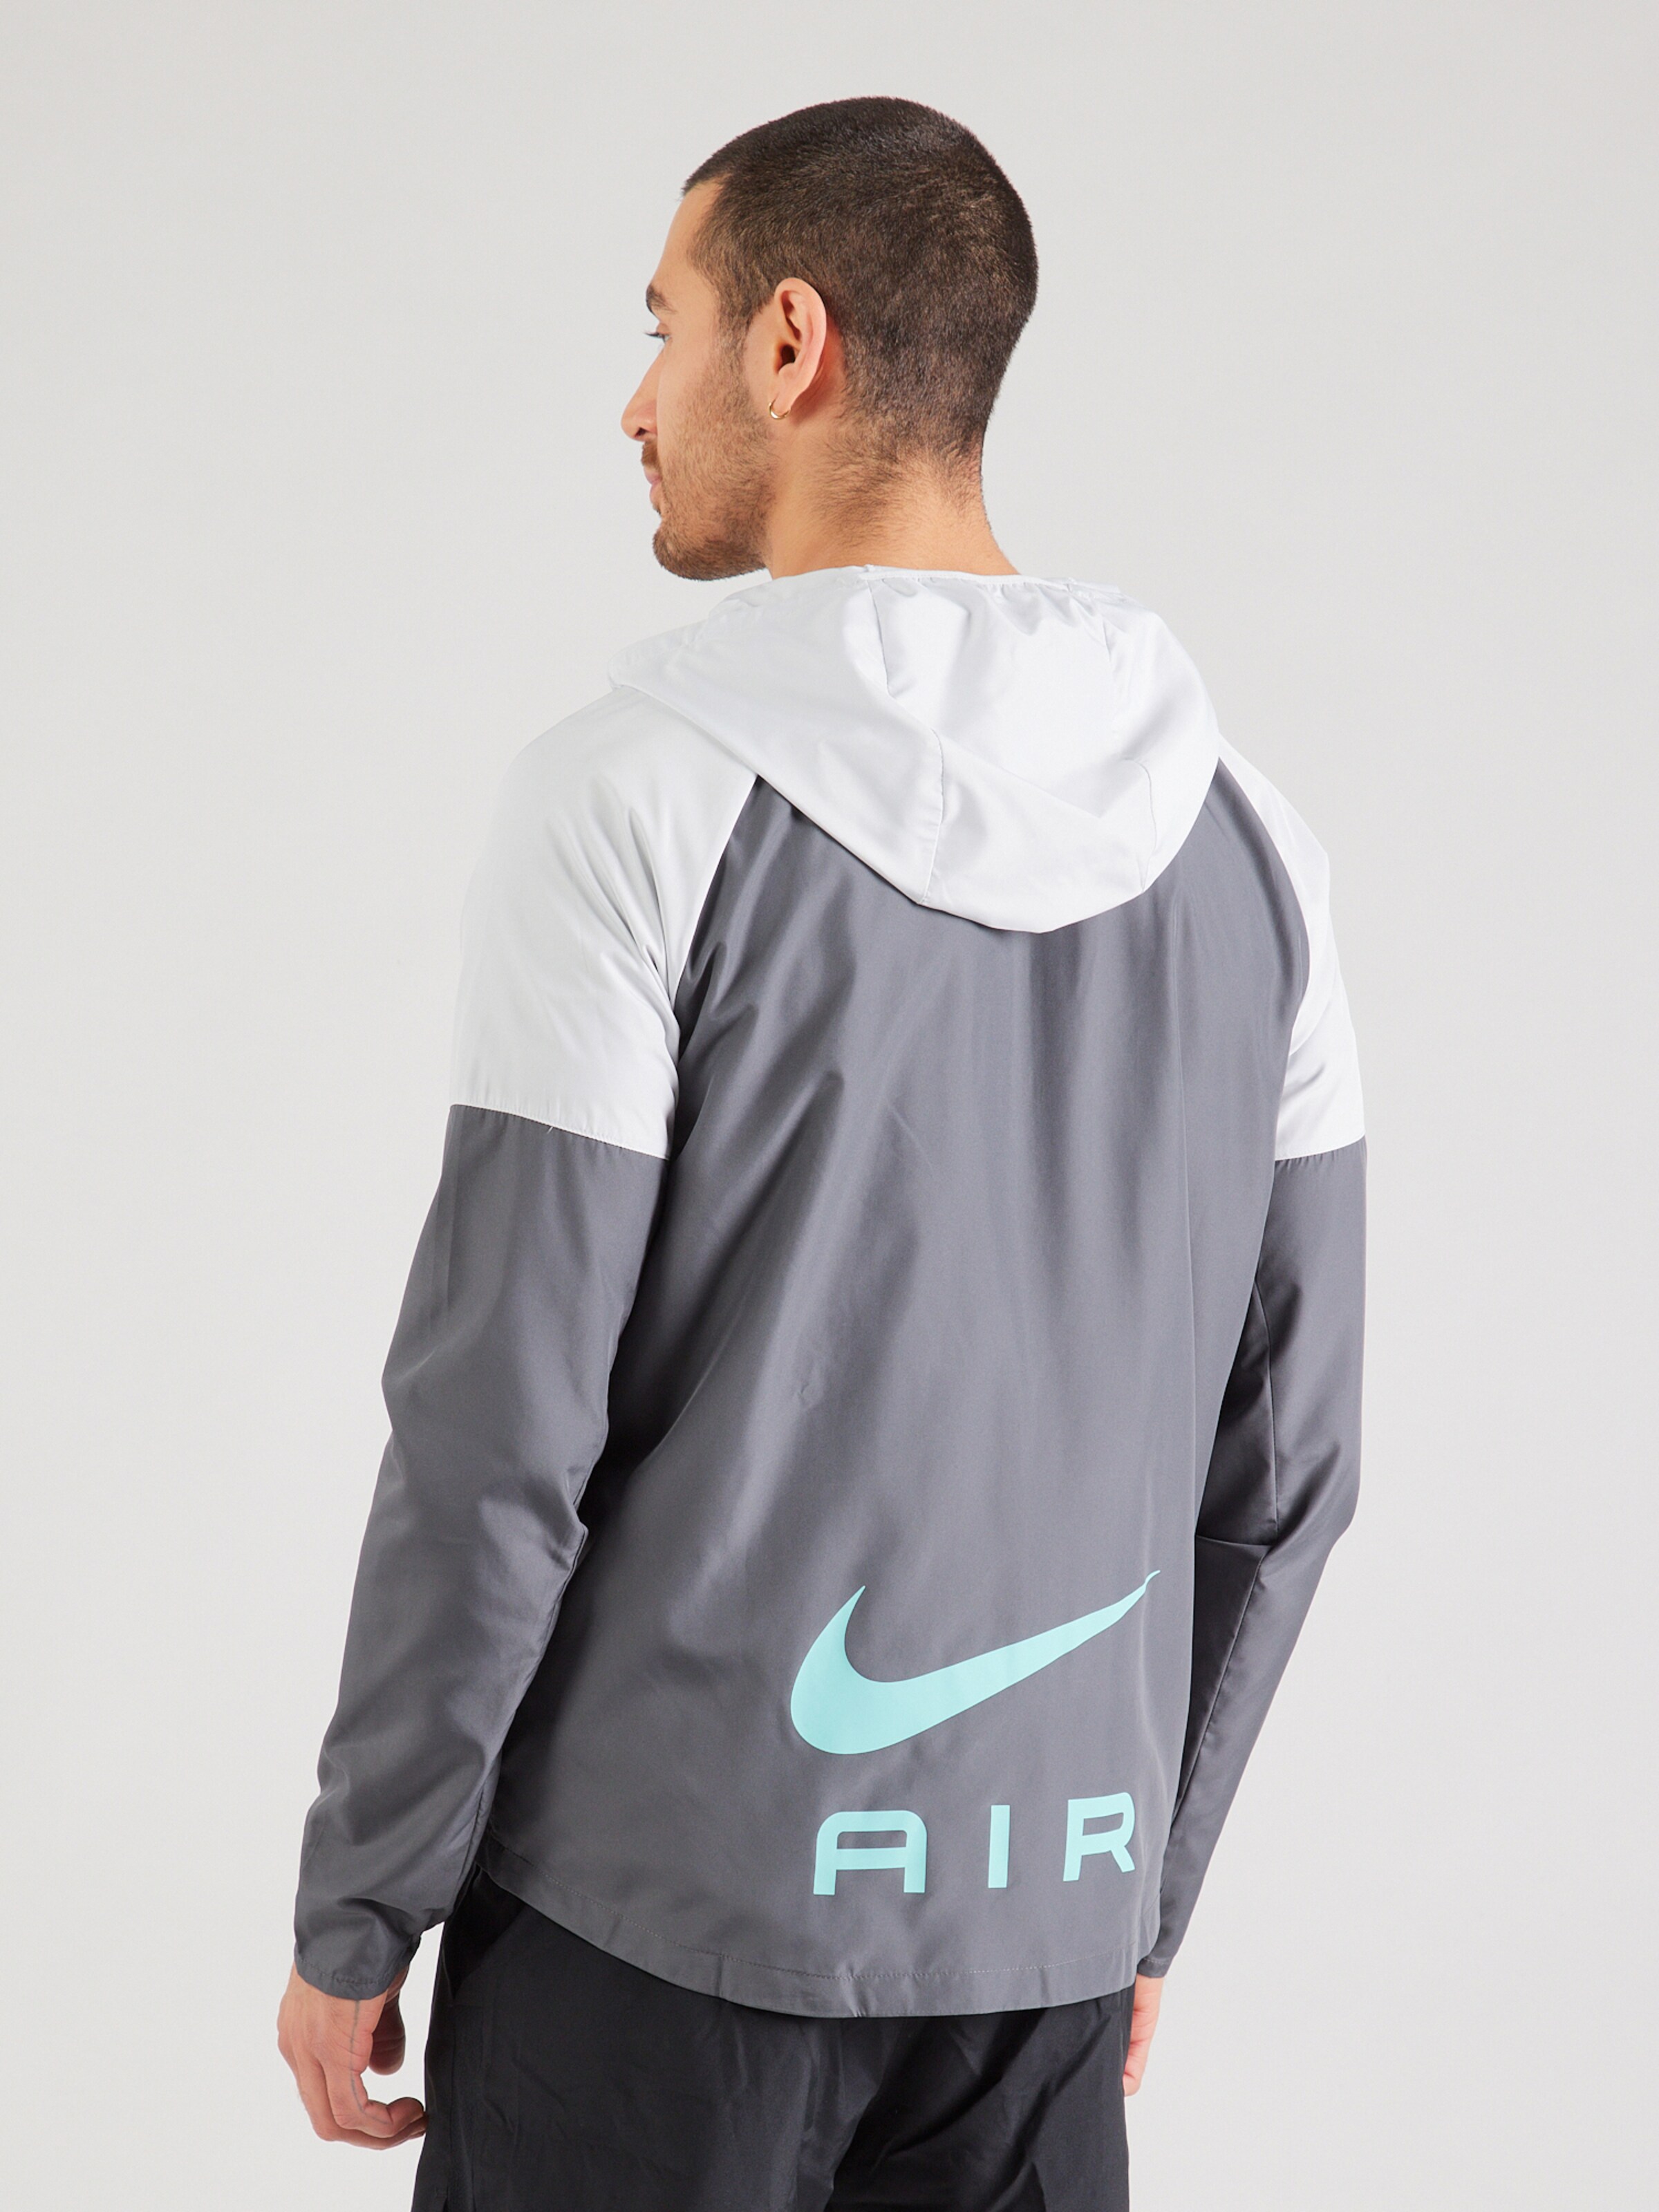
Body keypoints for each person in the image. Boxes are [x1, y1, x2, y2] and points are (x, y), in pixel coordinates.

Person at [277, 95, 1366, 2212]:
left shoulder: (634, 798)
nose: (634, 402)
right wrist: (1137, 1890)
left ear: (790, 343)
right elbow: (1295, 1467)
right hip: (1039, 1958)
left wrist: (363, 1896)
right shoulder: (1261, 847)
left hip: (652, 1936)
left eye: (662, 326)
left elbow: (497, 1434)